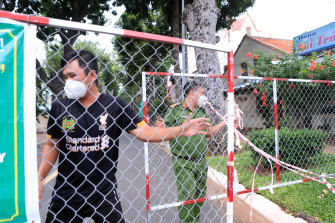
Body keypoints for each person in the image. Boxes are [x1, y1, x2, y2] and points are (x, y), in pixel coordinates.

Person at [38, 50, 211, 223]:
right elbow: (51, 145)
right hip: (67, 192)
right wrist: (39, 177)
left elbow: (146, 132)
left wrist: (180, 130)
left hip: (103, 192)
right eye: (65, 77)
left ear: (92, 75)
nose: (67, 82)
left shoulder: (114, 105)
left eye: (72, 76)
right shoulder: (60, 107)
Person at [156, 80, 226, 223]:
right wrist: (161, 126)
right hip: (183, 161)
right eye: (202, 93)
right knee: (188, 195)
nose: (204, 97)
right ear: (192, 92)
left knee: (199, 195)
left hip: (201, 161)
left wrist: (225, 122)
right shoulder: (175, 110)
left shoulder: (202, 112)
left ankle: (195, 220)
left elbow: (208, 132)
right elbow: (163, 129)